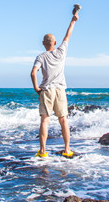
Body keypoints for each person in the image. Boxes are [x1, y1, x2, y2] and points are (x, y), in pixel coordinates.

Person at [30, 13, 79, 158]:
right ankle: (67, 150)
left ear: (44, 44)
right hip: (60, 90)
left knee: (45, 120)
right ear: (55, 43)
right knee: (63, 119)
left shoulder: (41, 57)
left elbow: (33, 73)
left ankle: (43, 152)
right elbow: (68, 34)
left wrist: (36, 88)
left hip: (46, 91)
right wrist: (73, 20)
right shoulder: (61, 52)